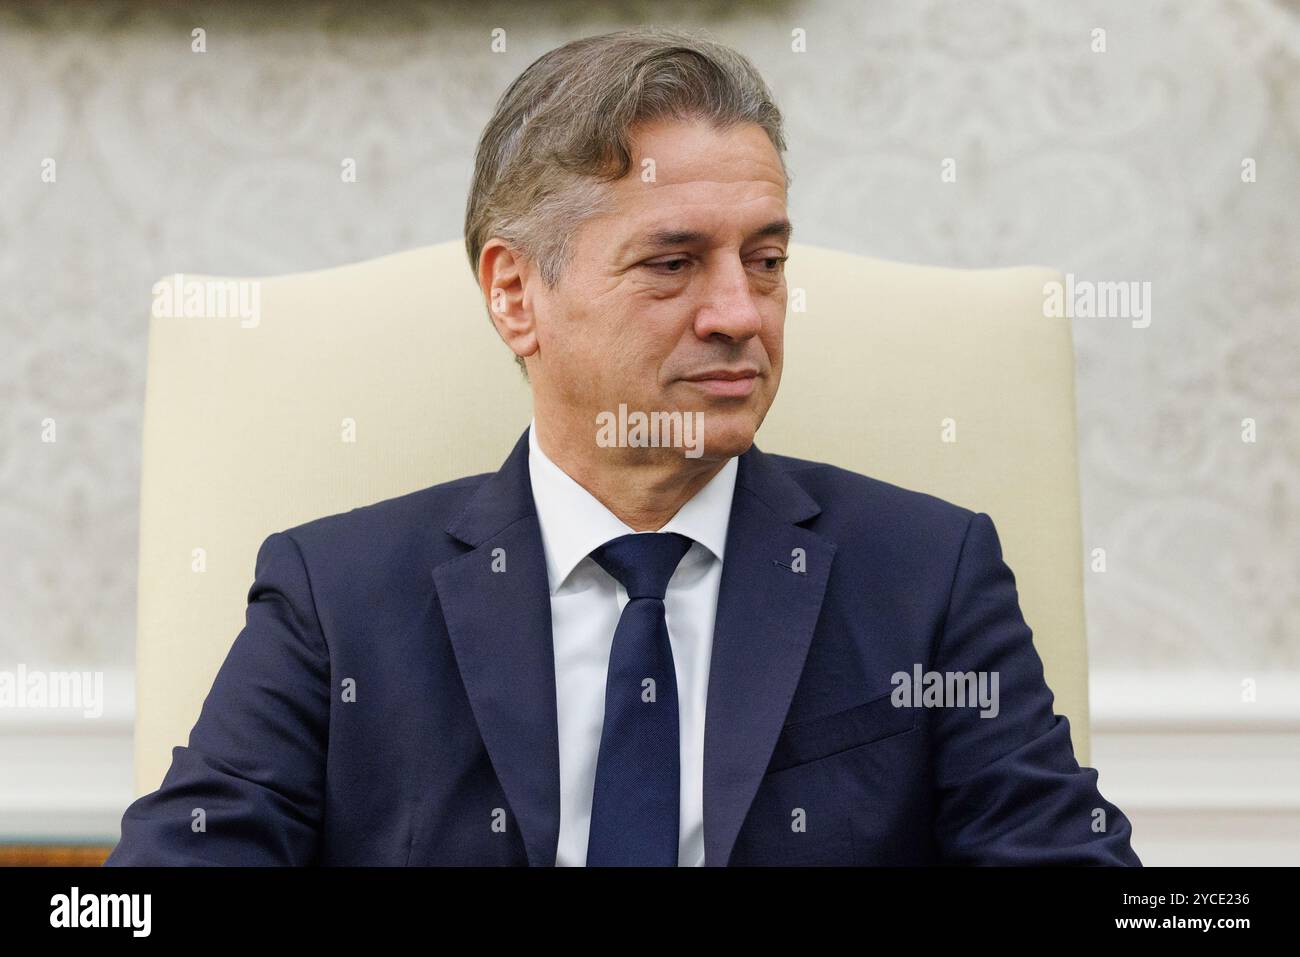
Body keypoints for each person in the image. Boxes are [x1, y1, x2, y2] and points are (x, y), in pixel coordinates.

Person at [105, 28, 1140, 866]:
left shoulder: (925, 576)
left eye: (766, 259)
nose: (740, 311)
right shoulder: (338, 598)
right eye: (673, 263)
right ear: (517, 294)